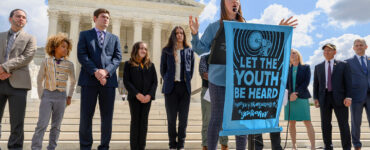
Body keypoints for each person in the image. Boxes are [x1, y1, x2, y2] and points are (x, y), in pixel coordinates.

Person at [189, 0, 297, 149]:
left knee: (241, 120)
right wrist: (195, 34)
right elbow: (200, 49)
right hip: (218, 80)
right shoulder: (214, 27)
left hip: (241, 80)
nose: (235, 2)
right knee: (216, 118)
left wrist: (278, 31)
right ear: (223, 3)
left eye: (238, 0)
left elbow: (263, 43)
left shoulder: (246, 26)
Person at [77, 8, 122, 150]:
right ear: (95, 18)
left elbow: (117, 58)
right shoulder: (85, 35)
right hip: (89, 81)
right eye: (103, 17)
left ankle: (104, 146)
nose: (106, 19)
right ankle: (85, 146)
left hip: (108, 82)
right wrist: (96, 71)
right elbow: (82, 55)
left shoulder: (114, 38)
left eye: (108, 17)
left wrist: (106, 72)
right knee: (86, 117)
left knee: (107, 118)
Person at [31, 33, 76, 150]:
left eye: (67, 47)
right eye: (63, 46)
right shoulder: (46, 62)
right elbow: (39, 79)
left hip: (61, 97)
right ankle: (36, 147)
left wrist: (69, 96)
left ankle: (52, 147)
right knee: (42, 124)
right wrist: (42, 95)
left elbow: (73, 81)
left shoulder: (70, 64)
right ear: (55, 47)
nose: (65, 49)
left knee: (56, 126)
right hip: (47, 95)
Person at [0, 9, 36, 150]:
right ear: (10, 19)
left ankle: (15, 148)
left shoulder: (30, 38)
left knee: (17, 122)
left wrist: (4, 68)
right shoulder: (0, 36)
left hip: (19, 85)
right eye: (18, 16)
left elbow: (26, 57)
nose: (21, 19)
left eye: (24, 17)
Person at [160, 26, 194, 150]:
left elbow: (192, 69)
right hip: (171, 88)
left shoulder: (189, 50)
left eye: (181, 33)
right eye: (177, 33)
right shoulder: (166, 50)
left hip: (185, 88)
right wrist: (169, 79)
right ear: (173, 35)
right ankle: (172, 144)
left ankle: (181, 144)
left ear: (184, 35)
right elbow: (162, 70)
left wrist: (186, 80)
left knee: (183, 119)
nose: (179, 35)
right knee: (171, 119)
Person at [313, 43, 352, 150]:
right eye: (325, 50)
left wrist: (348, 97)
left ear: (335, 52)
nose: (327, 52)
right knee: (325, 124)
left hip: (340, 98)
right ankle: (328, 146)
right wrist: (315, 98)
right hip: (324, 98)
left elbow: (348, 82)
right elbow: (316, 84)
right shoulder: (318, 67)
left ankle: (347, 147)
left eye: (329, 50)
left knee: (343, 124)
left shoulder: (343, 65)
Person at [123, 41, 158, 150]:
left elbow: (155, 82)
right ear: (136, 50)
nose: (143, 50)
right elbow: (126, 81)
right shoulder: (128, 64)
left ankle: (142, 147)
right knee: (135, 122)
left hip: (147, 99)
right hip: (134, 98)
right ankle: (134, 148)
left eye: (145, 49)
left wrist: (149, 95)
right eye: (141, 48)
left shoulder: (151, 65)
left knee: (144, 123)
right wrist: (137, 94)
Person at [284, 49, 315, 150]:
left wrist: (296, 94)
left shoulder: (305, 67)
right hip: (289, 99)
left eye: (294, 53)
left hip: (301, 97)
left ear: (298, 55)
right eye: (290, 53)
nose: (292, 55)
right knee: (291, 123)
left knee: (307, 121)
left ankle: (313, 146)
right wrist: (289, 96)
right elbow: (284, 84)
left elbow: (306, 82)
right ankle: (294, 146)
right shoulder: (286, 69)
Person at [199, 54, 229, 150]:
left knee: (222, 120)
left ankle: (224, 145)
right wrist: (219, 75)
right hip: (207, 90)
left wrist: (215, 74)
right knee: (207, 120)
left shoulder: (225, 56)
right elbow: (204, 73)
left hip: (222, 90)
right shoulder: (205, 57)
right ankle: (206, 146)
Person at [345, 39, 369, 150]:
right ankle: (356, 145)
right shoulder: (347, 62)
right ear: (354, 48)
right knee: (356, 122)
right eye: (357, 45)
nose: (359, 47)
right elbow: (344, 80)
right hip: (355, 96)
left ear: (366, 47)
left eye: (361, 45)